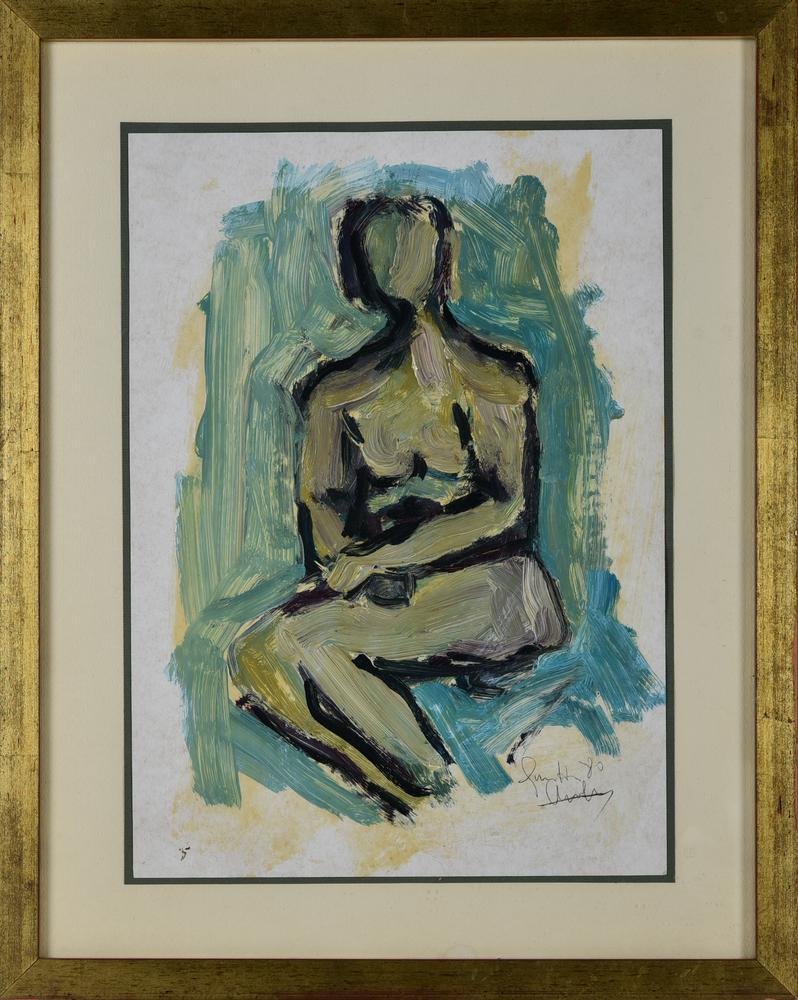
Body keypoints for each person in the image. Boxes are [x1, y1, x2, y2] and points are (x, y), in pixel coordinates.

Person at [230, 193, 568, 818]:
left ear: (443, 258)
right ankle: (395, 784)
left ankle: (434, 789)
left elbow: (505, 508)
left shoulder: (495, 378)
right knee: (253, 656)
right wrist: (349, 564)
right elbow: (322, 502)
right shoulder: (336, 394)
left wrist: (385, 559)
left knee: (305, 642)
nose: (397, 260)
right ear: (356, 268)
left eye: (411, 243)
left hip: (498, 590)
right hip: (393, 592)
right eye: (380, 246)